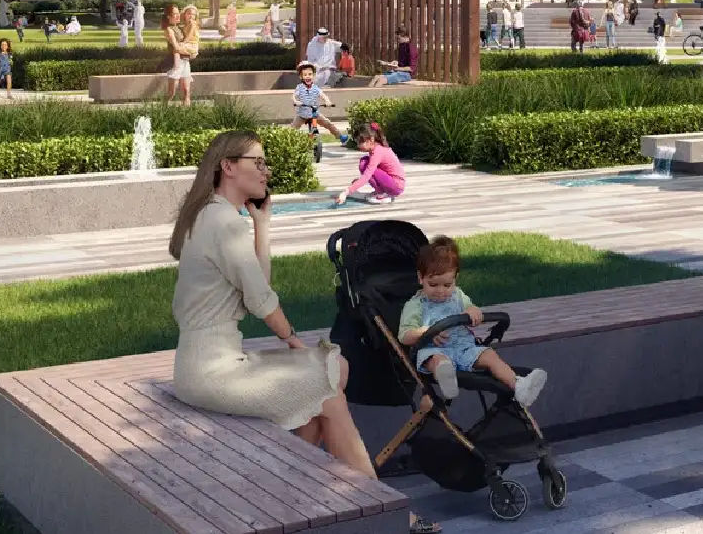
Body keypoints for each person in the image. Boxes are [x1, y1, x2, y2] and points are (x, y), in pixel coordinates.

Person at [169, 132, 441, 534]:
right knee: (328, 387)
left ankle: (286, 507)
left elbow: (255, 286)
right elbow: (262, 302)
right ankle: (388, 515)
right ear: (228, 167)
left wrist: (262, 224)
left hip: (209, 364)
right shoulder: (222, 222)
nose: (266, 171)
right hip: (213, 372)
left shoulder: (213, 216)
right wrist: (296, 343)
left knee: (320, 403)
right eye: (257, 163)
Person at [399, 236, 547, 407]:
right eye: (433, 285)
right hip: (435, 350)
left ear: (455, 278)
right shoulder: (416, 305)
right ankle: (447, 381)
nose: (440, 291)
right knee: (438, 362)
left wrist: (473, 312)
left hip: (464, 348)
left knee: (490, 355)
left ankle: (519, 386)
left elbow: (472, 309)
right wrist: (424, 332)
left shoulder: (458, 296)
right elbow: (404, 335)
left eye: (447, 285)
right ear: (420, 278)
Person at [335, 121, 405, 205]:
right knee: (364, 161)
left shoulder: (377, 152)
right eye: (357, 142)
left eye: (360, 142)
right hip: (393, 184)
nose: (358, 145)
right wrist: (359, 181)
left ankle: (382, 193)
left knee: (364, 164)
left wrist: (346, 192)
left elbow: (368, 174)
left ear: (371, 139)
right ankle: (381, 191)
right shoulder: (375, 149)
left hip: (395, 186)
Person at [292, 62, 349, 145]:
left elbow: (322, 95)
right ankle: (288, 144)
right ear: (301, 76)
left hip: (315, 113)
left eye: (310, 74)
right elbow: (294, 96)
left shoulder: (315, 88)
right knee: (293, 128)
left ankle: (340, 136)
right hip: (302, 114)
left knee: (328, 123)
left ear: (313, 76)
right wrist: (296, 101)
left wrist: (327, 101)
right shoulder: (300, 87)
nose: (308, 76)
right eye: (305, 75)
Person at [162, 4, 195, 106]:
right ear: (168, 16)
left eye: (178, 13)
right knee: (172, 92)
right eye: (175, 14)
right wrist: (189, 52)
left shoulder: (180, 28)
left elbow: (190, 38)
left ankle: (187, 116)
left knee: (186, 91)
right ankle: (162, 109)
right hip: (175, 63)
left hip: (185, 61)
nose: (178, 16)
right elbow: (176, 47)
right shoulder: (169, 30)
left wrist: (193, 24)